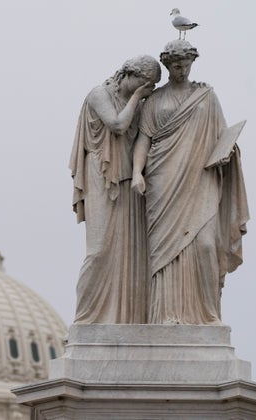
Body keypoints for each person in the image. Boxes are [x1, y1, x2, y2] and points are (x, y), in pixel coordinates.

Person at [131, 40, 249, 325]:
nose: (180, 70)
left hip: (200, 178)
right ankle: (166, 315)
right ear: (167, 66)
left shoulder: (206, 97)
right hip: (162, 180)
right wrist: (137, 172)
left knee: (205, 245)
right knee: (163, 252)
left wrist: (227, 153)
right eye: (174, 66)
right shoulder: (155, 101)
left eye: (184, 65)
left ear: (192, 63)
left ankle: (207, 316)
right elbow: (143, 140)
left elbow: (222, 136)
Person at [70, 55, 161, 324]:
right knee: (98, 250)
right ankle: (85, 319)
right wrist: (138, 97)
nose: (147, 91)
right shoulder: (99, 94)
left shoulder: (141, 105)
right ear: (128, 75)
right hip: (101, 172)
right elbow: (118, 125)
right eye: (144, 84)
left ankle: (124, 318)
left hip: (127, 180)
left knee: (128, 253)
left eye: (152, 87)